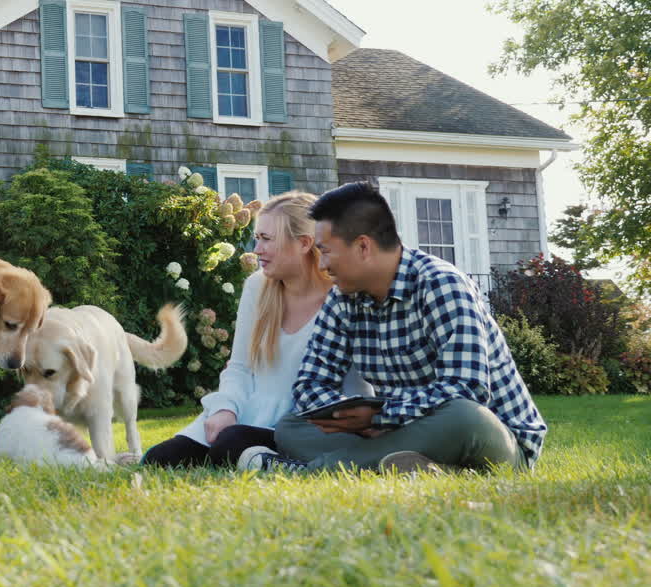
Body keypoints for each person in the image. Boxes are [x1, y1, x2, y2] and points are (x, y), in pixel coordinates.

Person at [239, 182, 547, 474]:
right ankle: (417, 467)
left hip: (488, 439)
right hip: (393, 431)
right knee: (292, 426)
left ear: (363, 247)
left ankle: (314, 471)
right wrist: (346, 415)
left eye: (327, 251)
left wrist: (382, 416)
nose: (321, 265)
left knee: (463, 416)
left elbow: (466, 388)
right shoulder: (343, 298)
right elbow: (310, 384)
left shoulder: (441, 284)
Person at [142, 191, 370, 468]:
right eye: (257, 238)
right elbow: (239, 367)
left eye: (267, 239)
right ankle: (253, 457)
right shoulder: (257, 287)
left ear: (304, 243)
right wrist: (225, 409)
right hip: (243, 413)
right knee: (160, 458)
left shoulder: (346, 297)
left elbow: (358, 387)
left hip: (301, 425)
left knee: (231, 444)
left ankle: (277, 462)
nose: (257, 249)